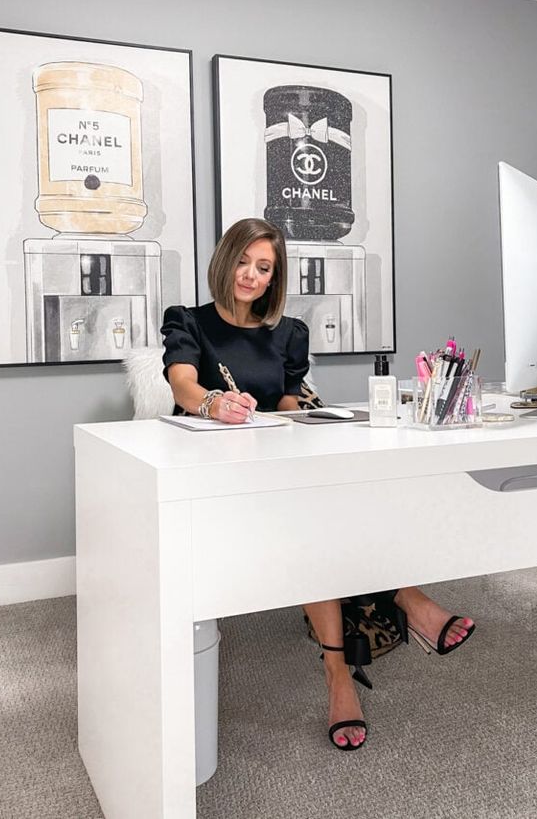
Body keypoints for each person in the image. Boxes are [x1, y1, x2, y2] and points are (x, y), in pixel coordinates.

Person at [162, 217, 475, 752]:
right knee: (309, 517)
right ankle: (396, 607)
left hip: (275, 459)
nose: (252, 276)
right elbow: (183, 383)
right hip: (213, 467)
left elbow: (284, 399)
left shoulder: (287, 332)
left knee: (335, 498)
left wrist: (308, 411)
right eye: (244, 262)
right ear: (225, 260)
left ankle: (343, 668)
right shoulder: (188, 321)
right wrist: (217, 404)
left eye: (265, 268)